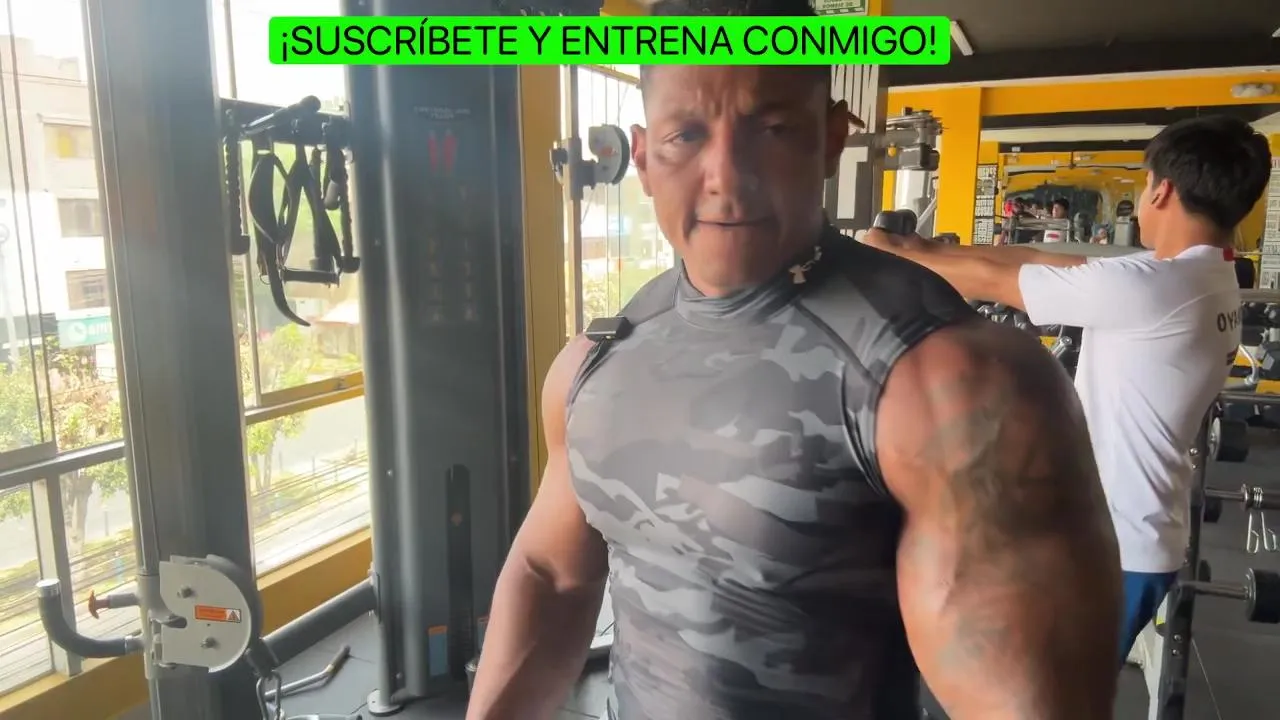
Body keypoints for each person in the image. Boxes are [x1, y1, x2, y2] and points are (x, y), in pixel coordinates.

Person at [466, 2, 1123, 719]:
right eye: (687, 135)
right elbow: (552, 575)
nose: (726, 177)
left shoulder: (949, 383)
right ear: (645, 158)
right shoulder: (597, 360)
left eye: (772, 129)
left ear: (831, 138)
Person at [861, 114, 1272, 667]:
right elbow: (1037, 260)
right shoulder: (1200, 277)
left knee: (1044, 692)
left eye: (1146, 185)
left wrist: (880, 254)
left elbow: (990, 282)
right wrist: (923, 248)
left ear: (1163, 190)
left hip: (1116, 546)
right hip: (1129, 533)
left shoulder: (1153, 288)